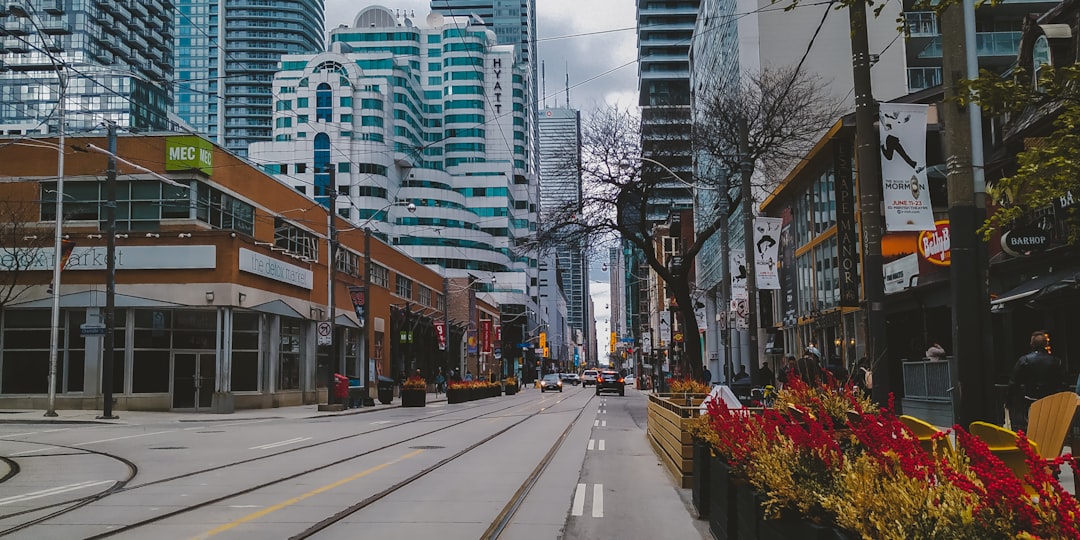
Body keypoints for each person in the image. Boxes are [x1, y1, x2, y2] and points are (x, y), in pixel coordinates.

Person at [1008, 330, 1065, 431]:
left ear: (1032, 344)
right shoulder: (1056, 361)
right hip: (1051, 401)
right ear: (1045, 344)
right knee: (1050, 429)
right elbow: (1063, 383)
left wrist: (1009, 401)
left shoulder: (1025, 360)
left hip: (1031, 400)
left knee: (1032, 429)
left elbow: (1013, 382)